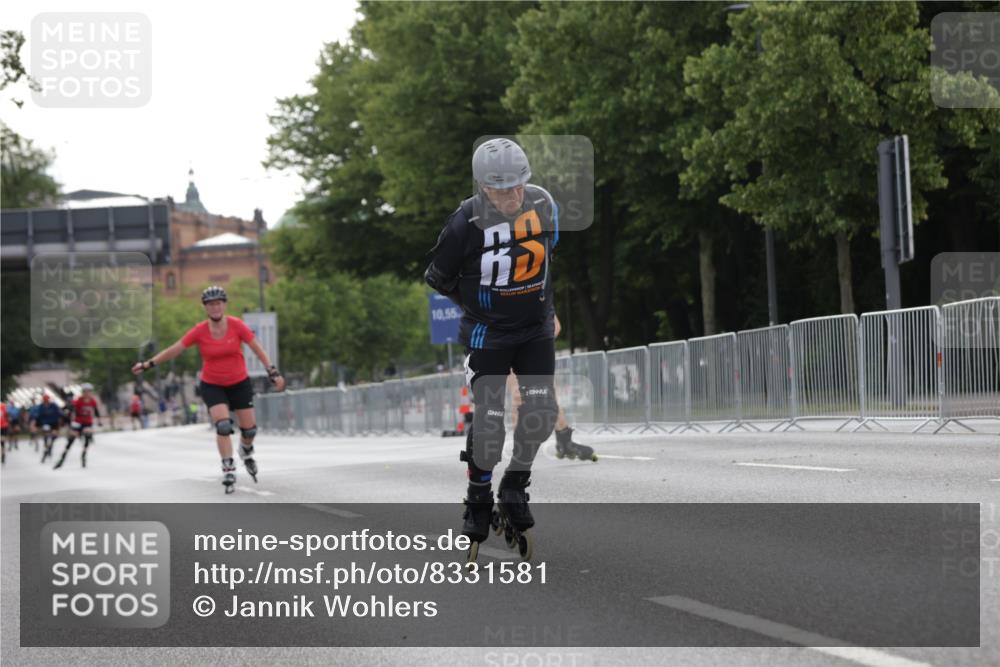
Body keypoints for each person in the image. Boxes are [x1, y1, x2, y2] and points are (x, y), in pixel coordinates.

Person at [424, 138, 560, 561]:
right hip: (488, 335)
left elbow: (547, 261)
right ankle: (477, 496)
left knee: (540, 414)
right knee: (490, 424)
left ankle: (514, 487)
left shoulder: (543, 205)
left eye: (519, 186)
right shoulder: (464, 223)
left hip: (534, 330)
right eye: (503, 190)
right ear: (483, 186)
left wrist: (545, 307)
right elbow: (438, 277)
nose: (513, 196)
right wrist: (480, 306)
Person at [131, 285, 285, 493]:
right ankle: (228, 467)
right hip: (213, 384)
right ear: (205, 308)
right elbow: (175, 349)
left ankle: (246, 450)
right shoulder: (200, 331)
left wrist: (272, 371)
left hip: (239, 382)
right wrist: (148, 364)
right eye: (210, 304)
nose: (215, 308)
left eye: (218, 303)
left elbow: (257, 347)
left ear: (224, 305)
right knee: (223, 426)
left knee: (249, 430)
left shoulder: (237, 325)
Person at [508, 315, 597, 462]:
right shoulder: (497, 295)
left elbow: (556, 325)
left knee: (551, 397)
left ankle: (564, 441)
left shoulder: (538, 293)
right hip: (512, 351)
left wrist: (538, 345)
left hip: (537, 352)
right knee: (518, 397)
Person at [53, 383, 103, 469]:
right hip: (78, 422)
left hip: (87, 422)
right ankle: (62, 459)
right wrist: (67, 414)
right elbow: (69, 408)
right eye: (85, 392)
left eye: (89, 392)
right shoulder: (78, 401)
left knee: (88, 435)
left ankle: (83, 455)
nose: (87, 394)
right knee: (71, 440)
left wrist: (99, 420)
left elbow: (96, 411)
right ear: (83, 392)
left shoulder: (92, 401)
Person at [36, 394, 63, 463]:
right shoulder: (41, 407)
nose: (46, 402)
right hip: (46, 423)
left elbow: (59, 413)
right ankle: (46, 447)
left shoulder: (53, 405)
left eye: (47, 400)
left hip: (54, 423)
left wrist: (61, 422)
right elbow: (39, 416)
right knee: (46, 435)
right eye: (45, 400)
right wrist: (38, 425)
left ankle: (49, 447)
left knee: (54, 436)